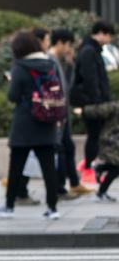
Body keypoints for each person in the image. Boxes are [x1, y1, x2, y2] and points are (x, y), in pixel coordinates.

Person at [0, 31, 62, 219]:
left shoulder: (20, 67)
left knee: (16, 167)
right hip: (47, 121)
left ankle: (9, 206)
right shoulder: (50, 64)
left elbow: (12, 96)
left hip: (25, 124)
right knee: (48, 169)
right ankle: (53, 208)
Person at [48, 29, 93, 199]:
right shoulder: (50, 60)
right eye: (68, 45)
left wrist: (71, 64)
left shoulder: (59, 61)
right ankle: (59, 188)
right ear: (60, 42)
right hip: (58, 114)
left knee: (68, 147)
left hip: (63, 112)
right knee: (60, 149)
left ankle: (71, 184)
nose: (69, 49)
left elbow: (67, 86)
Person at [73, 20, 115, 171]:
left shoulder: (92, 50)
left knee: (97, 136)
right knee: (95, 136)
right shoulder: (89, 51)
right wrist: (98, 102)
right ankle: (90, 168)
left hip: (94, 102)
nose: (109, 40)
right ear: (101, 33)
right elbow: (90, 79)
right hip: (92, 103)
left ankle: (93, 166)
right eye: (109, 35)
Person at [81, 99, 119, 202]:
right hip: (111, 141)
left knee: (116, 167)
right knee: (117, 167)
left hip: (113, 140)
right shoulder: (115, 106)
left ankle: (100, 168)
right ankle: (101, 190)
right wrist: (84, 110)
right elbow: (100, 110)